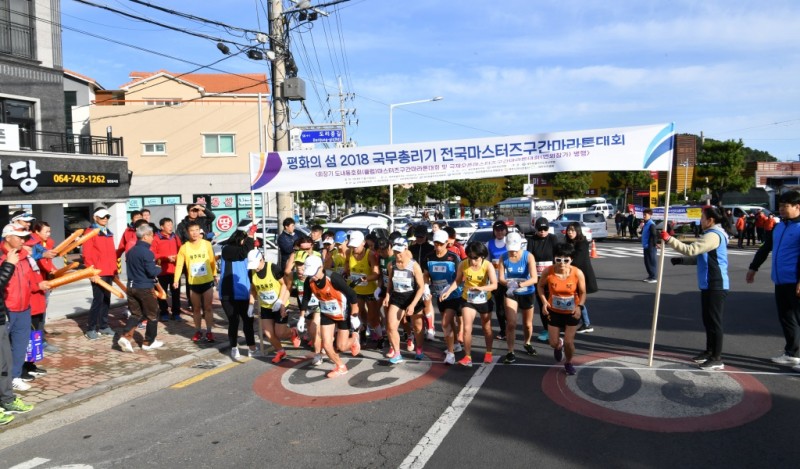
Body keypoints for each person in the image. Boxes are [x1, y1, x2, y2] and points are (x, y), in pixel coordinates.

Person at [663, 206, 730, 370]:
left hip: (716, 283)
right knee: (708, 320)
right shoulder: (710, 234)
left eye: (702, 217)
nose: (700, 220)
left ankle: (717, 358)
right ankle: (709, 351)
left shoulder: (713, 235)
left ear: (710, 220)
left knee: (714, 322)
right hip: (708, 283)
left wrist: (669, 239)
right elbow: (700, 257)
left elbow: (691, 250)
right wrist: (681, 261)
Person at [746, 191, 800, 371]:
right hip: (780, 280)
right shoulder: (779, 227)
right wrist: (754, 267)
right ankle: (792, 353)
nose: (781, 209)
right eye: (780, 206)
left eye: (786, 206)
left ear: (797, 207)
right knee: (787, 318)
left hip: (795, 281)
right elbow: (765, 248)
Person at [1, 224, 51, 391]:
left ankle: (15, 377)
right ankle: (5, 381)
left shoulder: (24, 257)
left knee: (20, 346)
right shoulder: (3, 257)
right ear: (8, 237)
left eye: (24, 238)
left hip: (24, 308)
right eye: (19, 237)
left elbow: (29, 281)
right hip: (7, 309)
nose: (23, 241)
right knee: (4, 349)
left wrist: (38, 286)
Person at [300, 255, 361, 378]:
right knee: (327, 345)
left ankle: (354, 338)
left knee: (341, 347)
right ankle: (341, 366)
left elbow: (352, 295)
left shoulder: (333, 278)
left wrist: (354, 315)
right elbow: (306, 298)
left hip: (342, 312)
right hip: (326, 313)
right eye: (309, 273)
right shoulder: (309, 281)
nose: (312, 276)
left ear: (321, 267)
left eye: (313, 273)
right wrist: (301, 317)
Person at [440, 241, 498, 367]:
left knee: (486, 328)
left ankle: (489, 352)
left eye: (475, 258)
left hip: (484, 299)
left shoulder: (487, 265)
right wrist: (448, 292)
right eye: (470, 257)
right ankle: (467, 357)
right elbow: (457, 281)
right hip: (468, 299)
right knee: (467, 328)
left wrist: (481, 288)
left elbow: (494, 285)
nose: (472, 261)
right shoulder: (463, 264)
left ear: (482, 256)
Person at [538, 243, 586, 376]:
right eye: (558, 260)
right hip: (554, 311)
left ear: (571, 260)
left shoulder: (577, 273)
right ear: (554, 259)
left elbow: (583, 292)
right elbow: (540, 286)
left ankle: (568, 362)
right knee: (552, 343)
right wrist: (544, 302)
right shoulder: (548, 271)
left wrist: (580, 307)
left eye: (566, 260)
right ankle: (559, 344)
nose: (562, 263)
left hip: (572, 311)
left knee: (569, 342)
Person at [0, 248, 35, 425]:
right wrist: (8, 265)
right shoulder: (7, 259)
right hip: (9, 311)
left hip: (3, 316)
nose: (24, 242)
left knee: (5, 362)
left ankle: (7, 400)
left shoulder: (20, 257)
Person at [117, 224, 164, 352]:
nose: (153, 238)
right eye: (151, 235)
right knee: (153, 314)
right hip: (145, 287)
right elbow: (151, 272)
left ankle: (125, 337)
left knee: (136, 314)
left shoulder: (131, 251)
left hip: (131, 287)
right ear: (145, 236)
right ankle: (149, 342)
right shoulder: (147, 253)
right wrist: (159, 269)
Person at [173, 221, 218, 343]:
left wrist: (215, 274)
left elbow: (212, 261)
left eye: (197, 230)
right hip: (193, 283)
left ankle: (209, 331)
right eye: (192, 231)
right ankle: (198, 331)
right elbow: (179, 264)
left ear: (200, 231)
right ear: (188, 233)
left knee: (208, 308)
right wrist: (176, 280)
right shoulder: (184, 247)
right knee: (196, 308)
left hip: (207, 281)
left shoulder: (206, 244)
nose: (195, 233)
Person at [383, 238, 426, 364]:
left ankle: (419, 348)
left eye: (400, 252)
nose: (397, 255)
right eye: (395, 251)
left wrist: (412, 305)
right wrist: (387, 295)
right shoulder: (391, 265)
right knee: (391, 326)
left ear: (406, 249)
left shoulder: (414, 266)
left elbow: (421, 287)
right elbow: (390, 282)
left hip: (413, 297)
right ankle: (397, 353)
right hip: (397, 297)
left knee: (417, 327)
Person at [498, 232, 538, 364]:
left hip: (527, 292)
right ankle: (510, 351)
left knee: (527, 324)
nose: (513, 253)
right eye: (510, 250)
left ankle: (527, 342)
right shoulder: (503, 257)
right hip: (511, 292)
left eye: (515, 250)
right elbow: (501, 278)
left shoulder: (528, 256)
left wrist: (520, 284)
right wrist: (508, 283)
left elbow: (534, 278)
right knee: (511, 323)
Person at [424, 230, 463, 365]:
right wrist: (426, 286)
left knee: (445, 322)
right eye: (436, 243)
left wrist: (449, 289)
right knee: (450, 322)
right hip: (439, 295)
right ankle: (456, 343)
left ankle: (450, 354)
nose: (438, 246)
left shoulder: (453, 258)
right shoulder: (429, 257)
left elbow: (459, 278)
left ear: (447, 243)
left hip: (454, 294)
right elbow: (426, 274)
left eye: (441, 244)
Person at [248, 249, 293, 364]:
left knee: (280, 333)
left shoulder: (273, 268)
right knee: (268, 333)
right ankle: (281, 351)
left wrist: (280, 301)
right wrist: (251, 305)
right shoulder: (251, 272)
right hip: (265, 306)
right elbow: (253, 289)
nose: (255, 268)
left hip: (280, 304)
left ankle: (293, 333)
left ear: (261, 260)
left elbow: (284, 284)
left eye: (255, 265)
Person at [219, 229, 257, 359]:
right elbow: (242, 253)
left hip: (245, 292)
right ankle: (234, 347)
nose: (245, 242)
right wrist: (250, 236)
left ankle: (252, 347)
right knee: (234, 321)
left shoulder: (248, 252)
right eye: (244, 240)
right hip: (228, 293)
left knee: (248, 321)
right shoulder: (227, 249)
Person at [82, 207, 118, 340]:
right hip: (97, 272)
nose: (105, 219)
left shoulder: (108, 232)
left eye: (107, 216)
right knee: (98, 300)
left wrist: (115, 270)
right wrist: (91, 272)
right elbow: (87, 254)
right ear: (95, 217)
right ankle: (91, 328)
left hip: (109, 271)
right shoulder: (90, 232)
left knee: (106, 300)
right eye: (102, 216)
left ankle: (103, 326)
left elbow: (112, 254)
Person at [25, 221, 59, 354]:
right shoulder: (19, 259)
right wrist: (37, 285)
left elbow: (47, 262)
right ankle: (32, 351)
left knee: (40, 316)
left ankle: (38, 346)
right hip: (33, 290)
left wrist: (54, 273)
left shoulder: (43, 244)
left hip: (41, 285)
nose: (49, 234)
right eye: (46, 231)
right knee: (31, 321)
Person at [344, 231, 381, 346]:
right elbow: (347, 264)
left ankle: (380, 337)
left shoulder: (370, 254)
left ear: (363, 243)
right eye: (352, 246)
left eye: (356, 246)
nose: (354, 248)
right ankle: (363, 332)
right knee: (358, 313)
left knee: (372, 318)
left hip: (369, 290)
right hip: (356, 290)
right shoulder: (348, 252)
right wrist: (346, 272)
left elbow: (376, 274)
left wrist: (364, 278)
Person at [528, 217, 558, 342]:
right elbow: (529, 256)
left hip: (552, 276)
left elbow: (557, 255)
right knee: (542, 304)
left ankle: (555, 327)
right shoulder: (532, 240)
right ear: (536, 229)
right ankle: (546, 328)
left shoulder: (553, 238)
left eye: (545, 229)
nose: (542, 231)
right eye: (540, 229)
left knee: (553, 302)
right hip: (538, 277)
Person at [564, 222, 598, 333]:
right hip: (573, 275)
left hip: (581, 275)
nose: (570, 232)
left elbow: (577, 261)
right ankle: (585, 323)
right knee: (576, 299)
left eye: (572, 230)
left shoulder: (582, 243)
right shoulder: (569, 242)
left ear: (578, 231)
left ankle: (585, 324)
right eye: (568, 230)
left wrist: (564, 265)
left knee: (577, 299)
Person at [151, 217, 182, 321]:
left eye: (171, 224)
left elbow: (181, 250)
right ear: (162, 227)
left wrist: (178, 258)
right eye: (168, 225)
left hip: (174, 271)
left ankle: (176, 313)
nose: (170, 227)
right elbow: (152, 254)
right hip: (161, 271)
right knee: (162, 293)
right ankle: (164, 312)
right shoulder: (156, 238)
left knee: (176, 293)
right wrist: (165, 258)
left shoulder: (175, 237)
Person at [409, 225, 435, 347]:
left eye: (421, 236)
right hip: (413, 280)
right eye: (417, 236)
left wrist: (429, 281)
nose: (419, 239)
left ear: (426, 236)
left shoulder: (431, 248)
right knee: (415, 305)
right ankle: (417, 329)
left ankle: (430, 327)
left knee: (427, 302)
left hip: (426, 279)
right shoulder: (411, 248)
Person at [487, 221, 509, 341]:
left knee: (509, 305)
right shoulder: (489, 243)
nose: (499, 232)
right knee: (499, 306)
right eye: (497, 230)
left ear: (506, 230)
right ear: (494, 231)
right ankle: (503, 330)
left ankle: (510, 327)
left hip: (509, 279)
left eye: (502, 230)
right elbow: (487, 262)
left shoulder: (510, 242)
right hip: (496, 280)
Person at [640, 208, 658, 283]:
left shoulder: (651, 224)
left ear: (650, 215)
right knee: (647, 262)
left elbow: (654, 234)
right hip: (646, 246)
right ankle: (650, 276)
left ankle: (653, 277)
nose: (644, 216)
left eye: (645, 215)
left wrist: (655, 243)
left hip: (650, 246)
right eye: (643, 214)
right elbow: (643, 233)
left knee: (651, 262)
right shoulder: (646, 224)